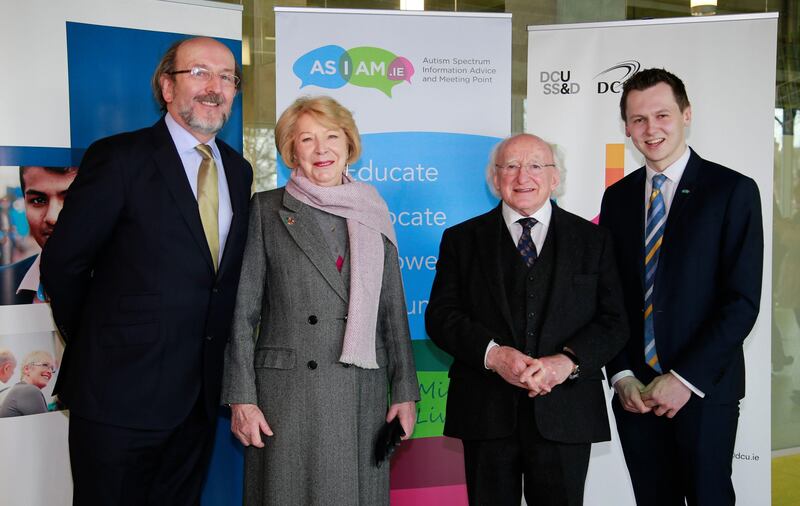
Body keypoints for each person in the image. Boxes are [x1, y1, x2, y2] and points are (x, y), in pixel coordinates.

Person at [40, 37, 253, 505]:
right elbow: (64, 263)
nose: (214, 87)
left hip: (197, 398)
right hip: (119, 394)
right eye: (199, 72)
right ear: (166, 86)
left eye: (226, 77)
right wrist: (102, 340)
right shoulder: (120, 157)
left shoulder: (239, 171)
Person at [222, 95, 418, 506]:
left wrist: (404, 391)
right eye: (306, 139)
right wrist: (242, 397)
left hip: (361, 395)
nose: (321, 149)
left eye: (331, 136)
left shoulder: (373, 210)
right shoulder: (268, 209)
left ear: (349, 145)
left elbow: (392, 311)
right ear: (292, 150)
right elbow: (242, 314)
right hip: (288, 398)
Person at [425, 133, 629, 506]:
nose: (523, 176)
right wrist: (494, 355)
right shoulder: (460, 239)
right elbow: (441, 316)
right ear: (494, 178)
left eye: (536, 165)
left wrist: (567, 363)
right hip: (485, 412)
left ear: (556, 178)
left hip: (566, 412)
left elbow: (614, 321)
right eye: (511, 166)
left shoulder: (594, 240)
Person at [599, 68, 763, 505]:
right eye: (638, 119)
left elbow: (742, 302)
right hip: (636, 396)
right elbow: (608, 297)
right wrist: (621, 375)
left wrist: (684, 379)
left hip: (703, 391)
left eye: (662, 115)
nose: (651, 129)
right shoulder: (616, 198)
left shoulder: (732, 191)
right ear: (627, 128)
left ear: (686, 115)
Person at [0, 166, 77, 305]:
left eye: (71, 199)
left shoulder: (126, 284)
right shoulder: (3, 284)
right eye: (38, 200)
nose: (52, 217)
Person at [0, 350, 54, 417]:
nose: (50, 371)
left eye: (52, 368)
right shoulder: (29, 390)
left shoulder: (19, 390)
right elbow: (45, 426)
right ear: (27, 369)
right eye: (45, 365)